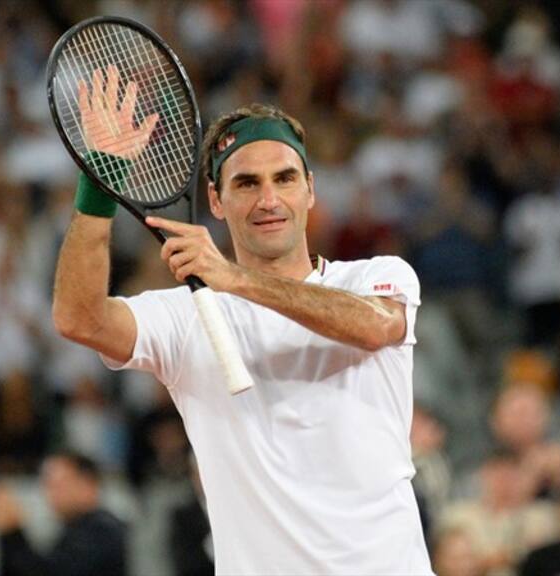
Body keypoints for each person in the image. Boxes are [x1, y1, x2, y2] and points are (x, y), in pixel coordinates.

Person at [53, 71, 432, 575]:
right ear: (215, 200)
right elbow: (79, 317)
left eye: (284, 178)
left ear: (310, 189)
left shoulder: (377, 275)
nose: (269, 199)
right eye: (246, 183)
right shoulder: (184, 318)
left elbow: (374, 327)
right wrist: (99, 180)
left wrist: (233, 279)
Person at [0, 449, 127, 576]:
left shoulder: (102, 530)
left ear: (88, 484)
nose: (50, 493)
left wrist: (13, 533)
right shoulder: (77, 528)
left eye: (59, 484)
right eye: (48, 485)